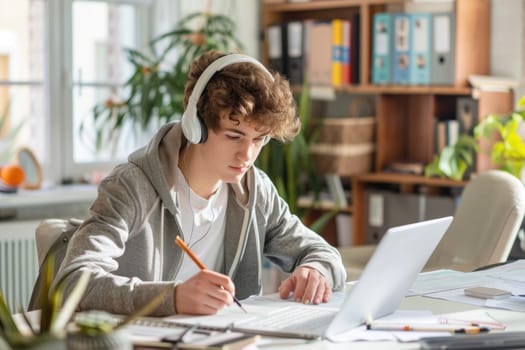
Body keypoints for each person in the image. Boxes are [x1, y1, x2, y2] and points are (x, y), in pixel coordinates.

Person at [54, 50, 346, 316]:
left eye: (259, 139)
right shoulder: (132, 186)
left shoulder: (255, 190)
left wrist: (315, 270)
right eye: (234, 136)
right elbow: (73, 281)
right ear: (196, 126)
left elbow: (321, 252)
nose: (247, 154)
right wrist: (173, 297)